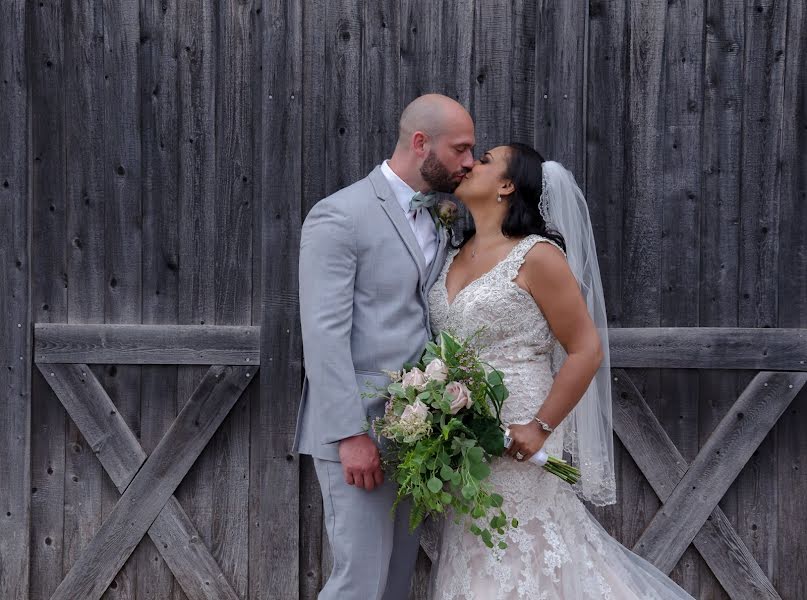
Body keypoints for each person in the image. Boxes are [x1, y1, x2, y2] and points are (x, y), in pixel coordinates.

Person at [427, 143, 694, 599]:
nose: (471, 164)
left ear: (508, 186)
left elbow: (586, 349)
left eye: (486, 159)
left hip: (521, 426)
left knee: (517, 545)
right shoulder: (452, 253)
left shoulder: (537, 256)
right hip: (465, 430)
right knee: (475, 544)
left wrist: (540, 426)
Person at [294, 94, 475, 599]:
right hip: (359, 432)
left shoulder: (443, 216)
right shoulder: (339, 216)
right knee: (360, 584)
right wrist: (349, 434)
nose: (470, 161)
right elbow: (323, 334)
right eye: (461, 149)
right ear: (421, 144)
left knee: (395, 583)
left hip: (416, 434)